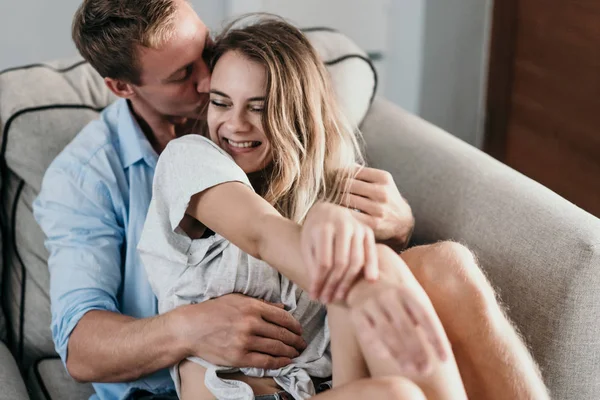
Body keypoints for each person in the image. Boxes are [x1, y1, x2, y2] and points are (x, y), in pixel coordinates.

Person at [32, 0, 549, 399]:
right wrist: (188, 328)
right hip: (195, 383)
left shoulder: (275, 129)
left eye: (205, 52)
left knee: (445, 262)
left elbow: (314, 221)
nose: (210, 77)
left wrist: (391, 224)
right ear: (122, 87)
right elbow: (80, 348)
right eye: (186, 78)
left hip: (312, 364)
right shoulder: (104, 174)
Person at [138, 16, 469, 400]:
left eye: (259, 108)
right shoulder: (189, 160)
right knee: (399, 393)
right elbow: (261, 232)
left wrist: (395, 229)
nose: (234, 124)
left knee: (444, 262)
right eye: (220, 102)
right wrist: (361, 283)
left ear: (295, 111)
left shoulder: (331, 185)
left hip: (327, 386)